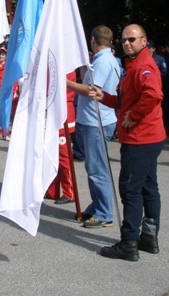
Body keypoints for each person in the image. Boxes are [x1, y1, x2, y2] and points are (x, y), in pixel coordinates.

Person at [94, 24, 166, 262]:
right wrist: (104, 98)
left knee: (131, 190)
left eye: (132, 39)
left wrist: (133, 117)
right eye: (124, 40)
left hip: (140, 139)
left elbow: (153, 95)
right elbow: (125, 101)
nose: (127, 43)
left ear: (144, 41)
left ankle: (129, 243)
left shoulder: (143, 66)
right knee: (147, 188)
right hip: (147, 138)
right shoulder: (133, 65)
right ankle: (149, 237)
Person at [66, 25, 121, 229]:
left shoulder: (104, 62)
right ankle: (98, 205)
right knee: (93, 166)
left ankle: (104, 212)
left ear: (93, 40)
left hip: (96, 121)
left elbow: (92, 90)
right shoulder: (104, 60)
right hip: (95, 120)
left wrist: (66, 83)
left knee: (97, 168)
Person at [45, 71, 77, 205]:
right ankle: (52, 190)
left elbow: (65, 93)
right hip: (51, 116)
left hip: (61, 116)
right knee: (51, 155)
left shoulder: (67, 66)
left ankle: (69, 192)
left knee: (64, 158)